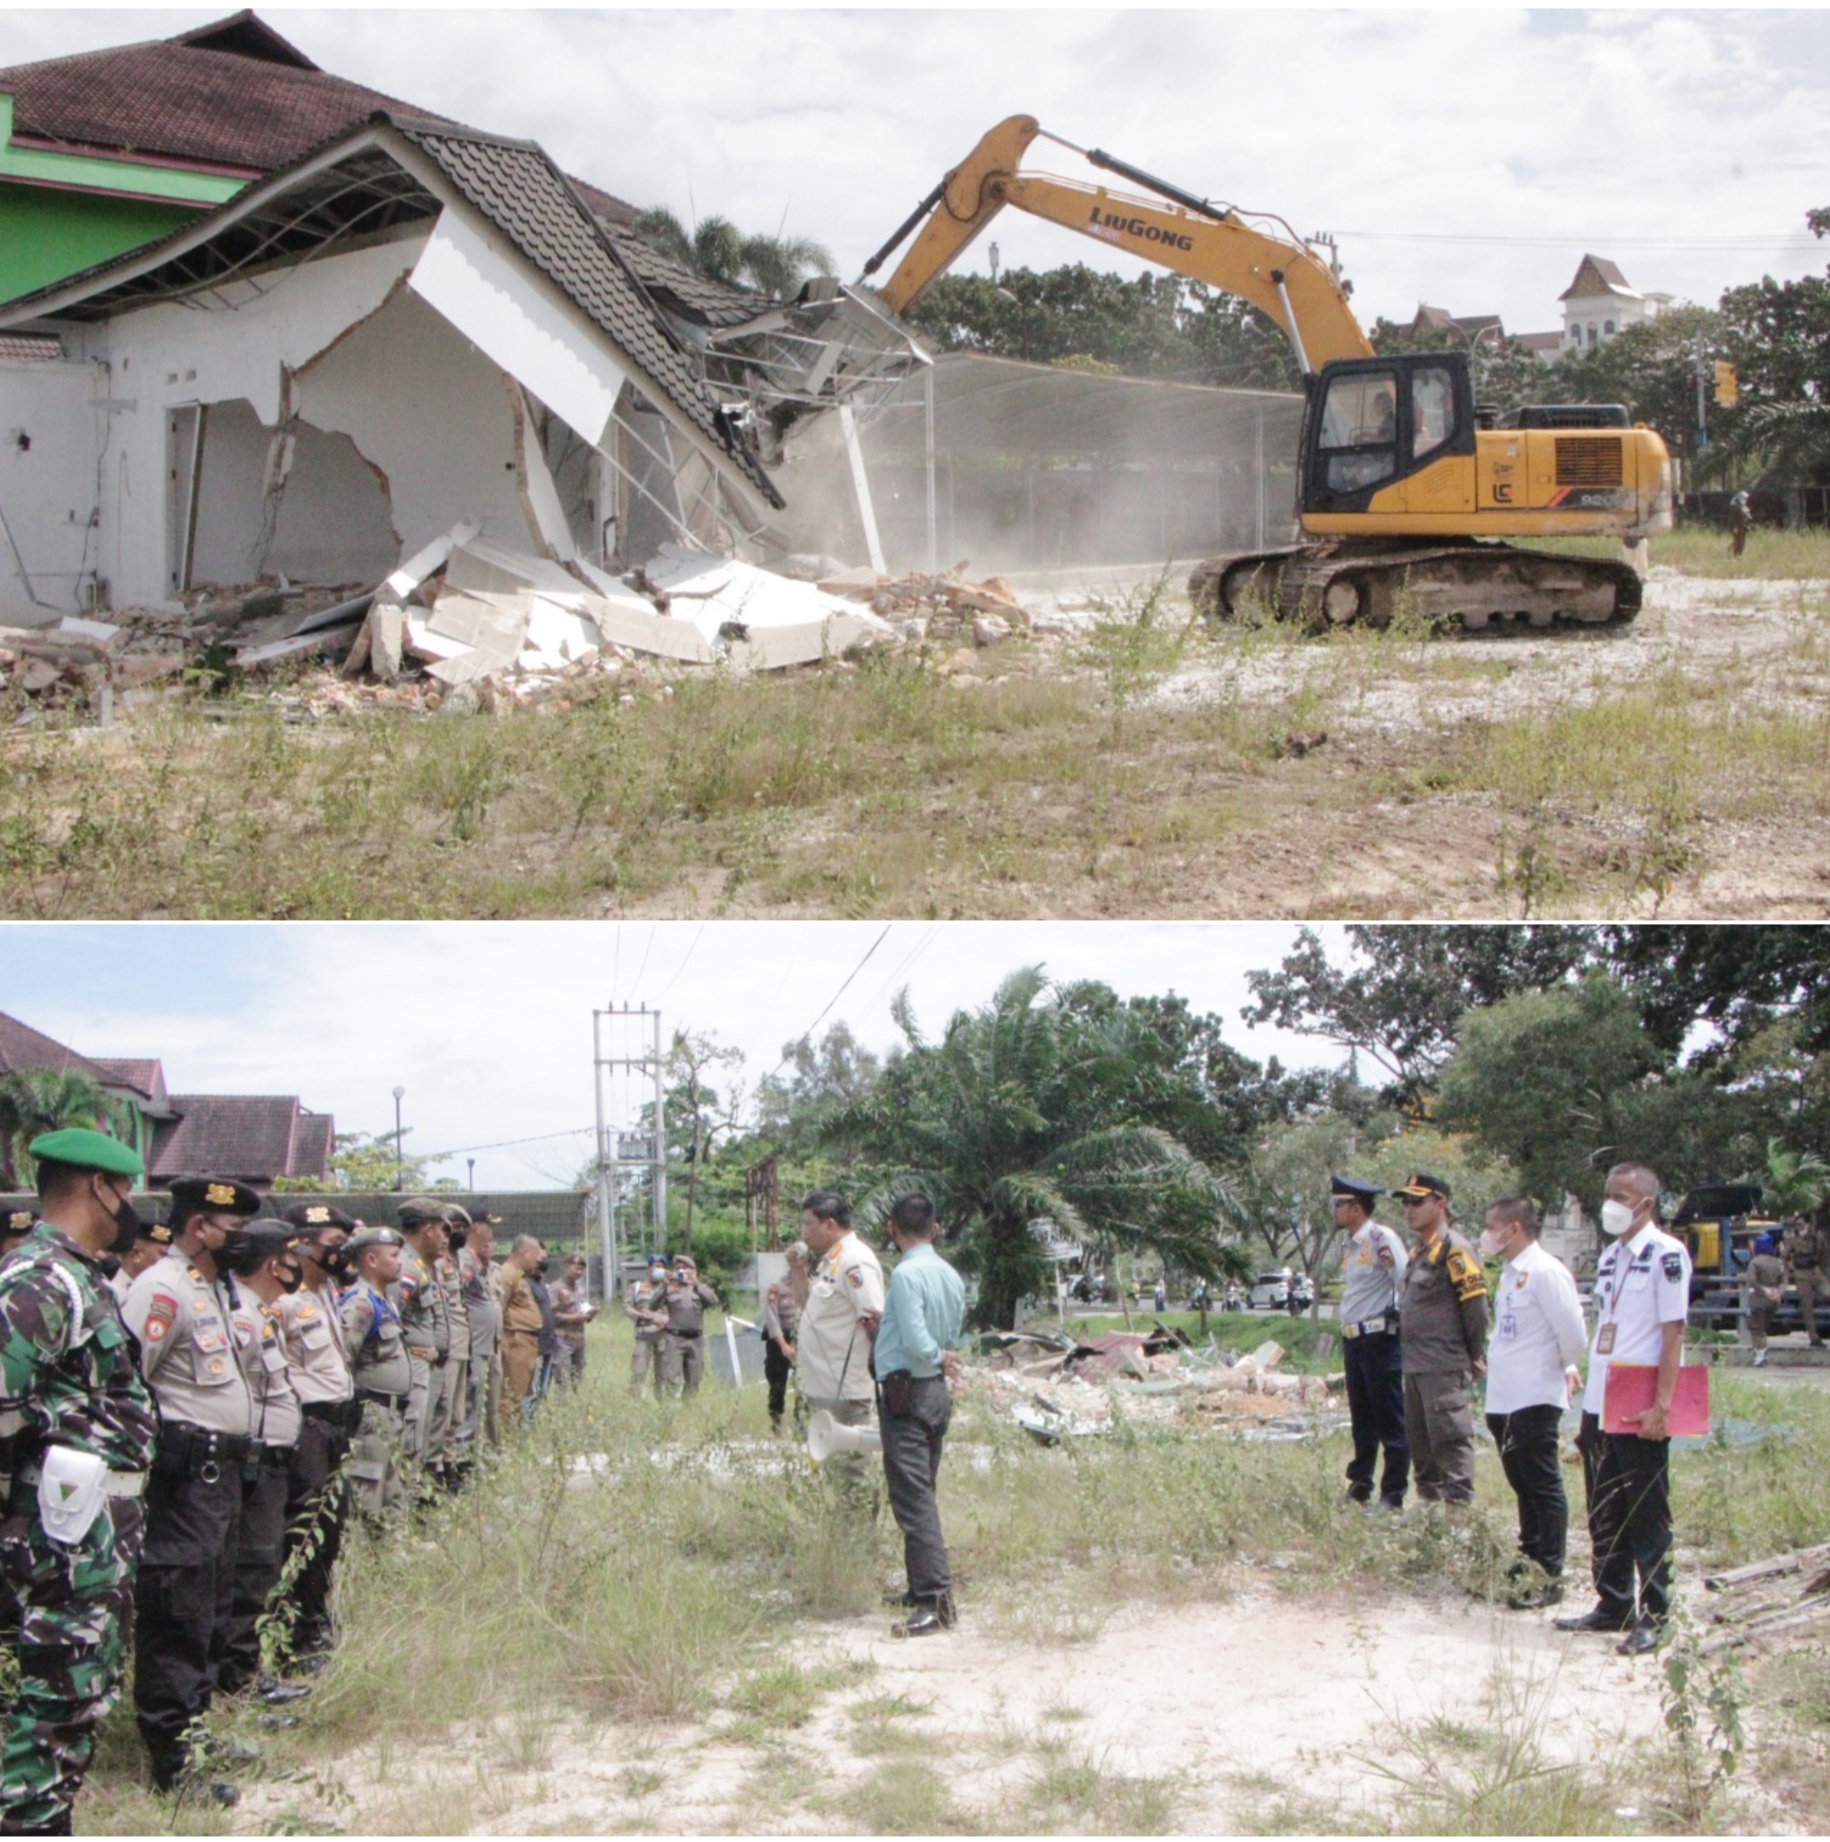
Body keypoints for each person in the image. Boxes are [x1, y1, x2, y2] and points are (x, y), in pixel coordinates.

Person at [0, 1129, 159, 1837]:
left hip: (91, 1532)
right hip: (57, 1539)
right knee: (50, 1712)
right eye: (126, 1191)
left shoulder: (79, 1273)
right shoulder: (41, 1279)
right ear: (101, 1186)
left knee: (76, 1701)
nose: (130, 1206)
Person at [119, 1173, 261, 1802]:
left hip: (221, 1472)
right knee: (178, 1613)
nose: (240, 1242)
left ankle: (196, 1734)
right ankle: (172, 1763)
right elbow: (126, 1385)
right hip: (186, 1476)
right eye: (231, 1231)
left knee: (209, 1608)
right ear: (198, 1227)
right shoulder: (162, 1290)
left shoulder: (211, 1287)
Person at [1558, 1162, 1691, 1656]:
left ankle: (1655, 1613)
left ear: (1646, 1204)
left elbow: (1673, 1332)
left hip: (1639, 1402)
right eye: (1608, 1194)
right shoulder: (1612, 1256)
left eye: (1622, 1195)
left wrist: (1663, 1405)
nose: (1611, 1203)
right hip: (1601, 1399)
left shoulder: (1666, 1255)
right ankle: (1613, 1603)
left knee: (1645, 1510)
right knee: (1604, 1506)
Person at [211, 1220, 307, 1704]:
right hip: (252, 1462)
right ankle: (238, 1680)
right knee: (249, 1570)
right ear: (276, 1264)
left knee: (260, 1567)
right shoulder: (243, 1316)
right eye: (293, 1257)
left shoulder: (260, 1313)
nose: (299, 1266)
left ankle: (246, 1671)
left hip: (270, 1460)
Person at [1481, 1197, 1587, 1608]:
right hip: (1504, 1396)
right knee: (1521, 1482)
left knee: (1542, 1484)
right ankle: (1528, 1556)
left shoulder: (1546, 1272)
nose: (1488, 1234)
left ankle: (1549, 1572)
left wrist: (1561, 1366)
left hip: (1535, 1394)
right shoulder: (1510, 1274)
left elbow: (1573, 1334)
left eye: (1493, 1226)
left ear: (1515, 1229)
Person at [874, 1194, 966, 1638]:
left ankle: (935, 1601)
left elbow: (916, 1339)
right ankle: (920, 1586)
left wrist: (932, 1354)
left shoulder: (906, 1274)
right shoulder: (949, 1274)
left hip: (907, 1390)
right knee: (921, 1487)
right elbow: (951, 1333)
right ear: (934, 1228)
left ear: (892, 1226)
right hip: (934, 1390)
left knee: (913, 1498)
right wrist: (942, 1357)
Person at [275, 1202, 356, 1665]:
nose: (339, 1255)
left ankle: (316, 1618)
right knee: (302, 1531)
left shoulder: (325, 1292)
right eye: (332, 1246)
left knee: (330, 1528)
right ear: (302, 1245)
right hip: (304, 1424)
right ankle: (295, 1633)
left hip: (334, 1424)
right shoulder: (283, 1300)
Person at [1394, 1172, 1488, 1508]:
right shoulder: (1419, 1251)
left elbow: (1475, 1308)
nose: (1409, 1209)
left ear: (1441, 1204)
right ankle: (1430, 1513)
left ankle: (1457, 1518)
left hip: (1443, 1364)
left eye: (1417, 1201)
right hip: (1416, 1364)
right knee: (1421, 1446)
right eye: (1406, 1202)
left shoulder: (1456, 1250)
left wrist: (1475, 1352)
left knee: (1450, 1440)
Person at [796, 1191, 884, 1507]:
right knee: (834, 1466)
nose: (803, 1231)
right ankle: (845, 1528)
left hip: (845, 1388)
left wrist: (878, 1376)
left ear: (829, 1224)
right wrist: (797, 1270)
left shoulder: (854, 1261)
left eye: (808, 1224)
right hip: (824, 1385)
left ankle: (861, 1535)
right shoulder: (830, 1262)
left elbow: (875, 1319)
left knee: (853, 1466)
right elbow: (810, 1308)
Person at [1332, 1174, 1409, 1511]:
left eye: (1339, 1204)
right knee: (1362, 1419)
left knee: (1390, 1419)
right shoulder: (1349, 1245)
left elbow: (1404, 1282)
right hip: (1354, 1340)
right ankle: (1360, 1484)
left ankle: (1393, 1494)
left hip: (1379, 1338)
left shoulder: (1381, 1238)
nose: (1334, 1210)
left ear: (1356, 1208)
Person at [338, 1225, 413, 1527]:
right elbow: (343, 1357)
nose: (400, 1262)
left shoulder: (385, 1301)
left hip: (392, 1410)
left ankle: (391, 1542)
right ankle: (366, 1548)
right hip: (372, 1410)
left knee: (392, 1478)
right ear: (371, 1259)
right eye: (393, 1255)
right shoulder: (361, 1303)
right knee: (369, 1480)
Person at [394, 1199, 451, 1489]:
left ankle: (409, 1504)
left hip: (424, 1364)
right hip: (410, 1366)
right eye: (442, 1230)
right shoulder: (405, 1267)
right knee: (409, 1440)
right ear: (427, 1229)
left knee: (420, 1438)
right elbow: (391, 1322)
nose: (446, 1238)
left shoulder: (422, 1266)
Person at [436, 1205, 473, 1485]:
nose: (459, 1233)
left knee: (458, 1411)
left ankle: (451, 1463)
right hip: (446, 1344)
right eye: (455, 1226)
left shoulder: (459, 1259)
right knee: (444, 1410)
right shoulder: (436, 1261)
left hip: (462, 1343)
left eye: (464, 1228)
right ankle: (436, 1468)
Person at [460, 1209, 503, 1448]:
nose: (491, 1234)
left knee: (477, 1401)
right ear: (476, 1228)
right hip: (471, 1343)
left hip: (483, 1344)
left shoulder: (474, 1260)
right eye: (488, 1228)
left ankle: (473, 1450)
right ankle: (464, 1458)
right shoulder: (465, 1258)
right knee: (470, 1400)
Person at [497, 1236, 546, 1425]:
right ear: (524, 1252)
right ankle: (504, 1438)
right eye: (535, 1254)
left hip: (526, 1342)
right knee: (511, 1395)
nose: (539, 1259)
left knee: (520, 1393)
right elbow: (499, 1308)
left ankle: (510, 1432)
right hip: (515, 1341)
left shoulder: (519, 1275)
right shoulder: (507, 1274)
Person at [656, 1256, 719, 1397]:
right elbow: (652, 1305)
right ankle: (671, 1406)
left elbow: (714, 1301)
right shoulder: (670, 1287)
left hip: (695, 1340)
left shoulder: (700, 1288)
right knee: (671, 1376)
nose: (681, 1271)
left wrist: (696, 1283)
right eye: (678, 1268)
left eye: (685, 1268)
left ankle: (688, 1407)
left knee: (694, 1378)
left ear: (693, 1271)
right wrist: (663, 1287)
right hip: (674, 1338)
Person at [762, 1244, 806, 1433]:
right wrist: (783, 1344)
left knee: (803, 1383)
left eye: (800, 1258)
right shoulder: (777, 1286)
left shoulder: (812, 1283)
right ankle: (776, 1422)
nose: (796, 1262)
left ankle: (800, 1421)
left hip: (803, 1338)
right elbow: (772, 1319)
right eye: (793, 1258)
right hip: (780, 1339)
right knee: (777, 1383)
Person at [625, 1254, 670, 1397]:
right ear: (649, 1268)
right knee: (639, 1369)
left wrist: (666, 1319)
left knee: (663, 1371)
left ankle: (661, 1399)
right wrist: (640, 1315)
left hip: (663, 1334)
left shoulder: (669, 1288)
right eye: (656, 1266)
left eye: (662, 1267)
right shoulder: (637, 1286)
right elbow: (626, 1307)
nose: (659, 1269)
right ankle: (635, 1398)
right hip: (644, 1333)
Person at [1782, 1210, 1826, 1349]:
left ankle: (1817, 1301)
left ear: (1807, 1223)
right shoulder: (1792, 1239)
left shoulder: (1816, 1236)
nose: (1798, 1225)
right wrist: (1788, 1272)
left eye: (1800, 1222)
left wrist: (1820, 1267)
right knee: (1807, 1308)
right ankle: (1814, 1337)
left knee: (1827, 1293)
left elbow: (1823, 1253)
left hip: (1815, 1272)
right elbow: (1785, 1255)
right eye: (1796, 1223)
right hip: (1801, 1274)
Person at [551, 1255, 595, 1385]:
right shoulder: (555, 1288)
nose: (579, 1273)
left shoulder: (580, 1288)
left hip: (579, 1338)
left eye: (582, 1270)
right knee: (562, 1377)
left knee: (578, 1377)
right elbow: (551, 1314)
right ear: (566, 1266)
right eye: (577, 1269)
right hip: (562, 1339)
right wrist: (572, 1317)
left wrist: (590, 1314)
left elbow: (583, 1307)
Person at [1744, 1231, 1786, 1367]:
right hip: (1774, 1299)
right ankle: (1760, 1353)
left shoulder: (1755, 1262)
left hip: (1757, 1298)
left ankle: (1760, 1354)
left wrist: (1763, 1292)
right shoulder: (1778, 1263)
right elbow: (1784, 1280)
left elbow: (1751, 1280)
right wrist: (1779, 1293)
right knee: (1763, 1326)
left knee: (1755, 1326)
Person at [1728, 489, 1753, 558]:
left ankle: (1736, 554)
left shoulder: (1743, 507)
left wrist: (1748, 525)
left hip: (1743, 528)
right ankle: (1735, 556)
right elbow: (1733, 519)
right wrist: (1734, 527)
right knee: (1738, 542)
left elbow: (1747, 517)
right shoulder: (1735, 507)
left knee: (1741, 542)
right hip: (1738, 528)